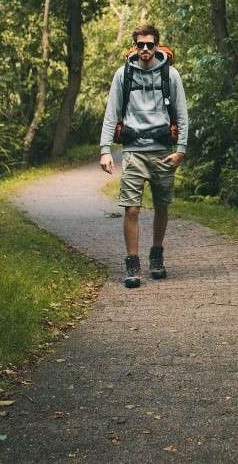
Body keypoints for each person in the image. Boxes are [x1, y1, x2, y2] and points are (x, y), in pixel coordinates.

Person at [99, 24, 189, 288]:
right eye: (141, 45)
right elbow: (111, 113)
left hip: (163, 151)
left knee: (162, 206)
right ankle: (132, 263)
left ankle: (157, 255)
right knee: (132, 208)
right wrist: (105, 150)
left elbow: (182, 115)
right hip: (133, 152)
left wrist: (181, 150)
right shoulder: (123, 74)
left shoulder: (170, 75)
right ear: (134, 46)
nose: (146, 50)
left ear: (157, 46)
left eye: (150, 45)